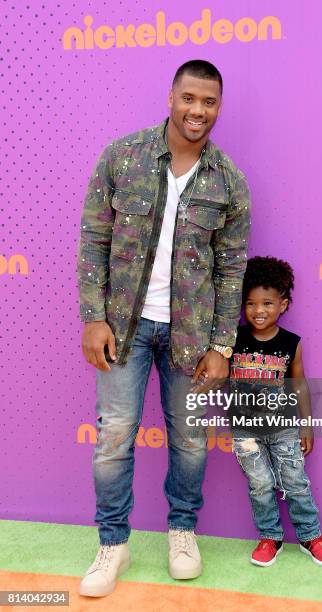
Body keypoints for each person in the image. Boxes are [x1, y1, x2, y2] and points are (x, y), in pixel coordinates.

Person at [77, 59, 251, 597]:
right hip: (124, 329)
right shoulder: (121, 157)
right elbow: (93, 241)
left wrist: (223, 345)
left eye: (210, 102)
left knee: (192, 441)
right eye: (190, 98)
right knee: (113, 439)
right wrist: (93, 317)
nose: (198, 111)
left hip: (193, 338)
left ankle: (182, 532)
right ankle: (113, 544)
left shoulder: (228, 179)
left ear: (218, 107)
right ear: (171, 97)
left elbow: (231, 268)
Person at [229, 256, 322, 567]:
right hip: (246, 431)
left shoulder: (292, 343)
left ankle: (311, 536)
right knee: (260, 484)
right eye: (250, 303)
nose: (258, 311)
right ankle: (270, 537)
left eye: (267, 303)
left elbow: (300, 384)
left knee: (295, 482)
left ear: (284, 304)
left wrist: (307, 426)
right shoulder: (232, 339)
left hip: (284, 427)